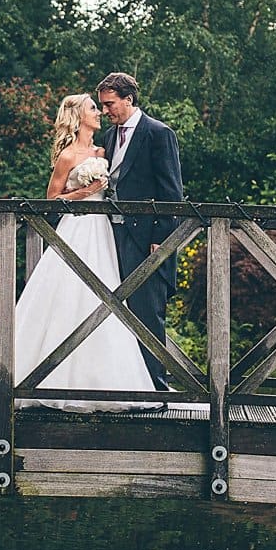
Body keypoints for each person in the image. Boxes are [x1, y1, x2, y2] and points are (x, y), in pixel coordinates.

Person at [0, 92, 160, 410]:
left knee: (106, 298)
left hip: (104, 232)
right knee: (66, 294)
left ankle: (105, 379)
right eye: (93, 108)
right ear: (78, 116)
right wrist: (85, 192)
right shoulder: (68, 156)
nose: (100, 113)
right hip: (76, 230)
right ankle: (48, 378)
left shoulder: (103, 149)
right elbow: (51, 200)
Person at [96, 72, 184, 389]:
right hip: (111, 236)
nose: (106, 111)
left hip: (146, 238)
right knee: (113, 309)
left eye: (109, 104)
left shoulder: (159, 134)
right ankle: (124, 382)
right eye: (103, 106)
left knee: (148, 311)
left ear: (128, 99)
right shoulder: (108, 137)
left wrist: (161, 240)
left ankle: (155, 386)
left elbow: (172, 193)